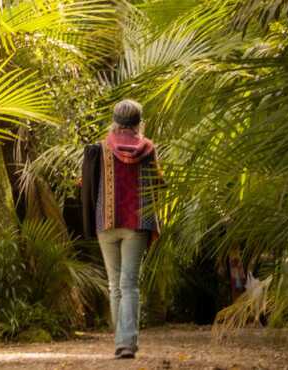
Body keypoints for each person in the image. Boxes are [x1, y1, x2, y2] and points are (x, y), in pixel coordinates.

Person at [80, 99, 163, 359]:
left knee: (115, 284)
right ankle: (126, 342)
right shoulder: (148, 149)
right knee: (130, 284)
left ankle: (121, 342)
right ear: (139, 122)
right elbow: (157, 183)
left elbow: (86, 185)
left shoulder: (101, 149)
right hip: (136, 224)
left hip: (106, 222)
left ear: (115, 121)